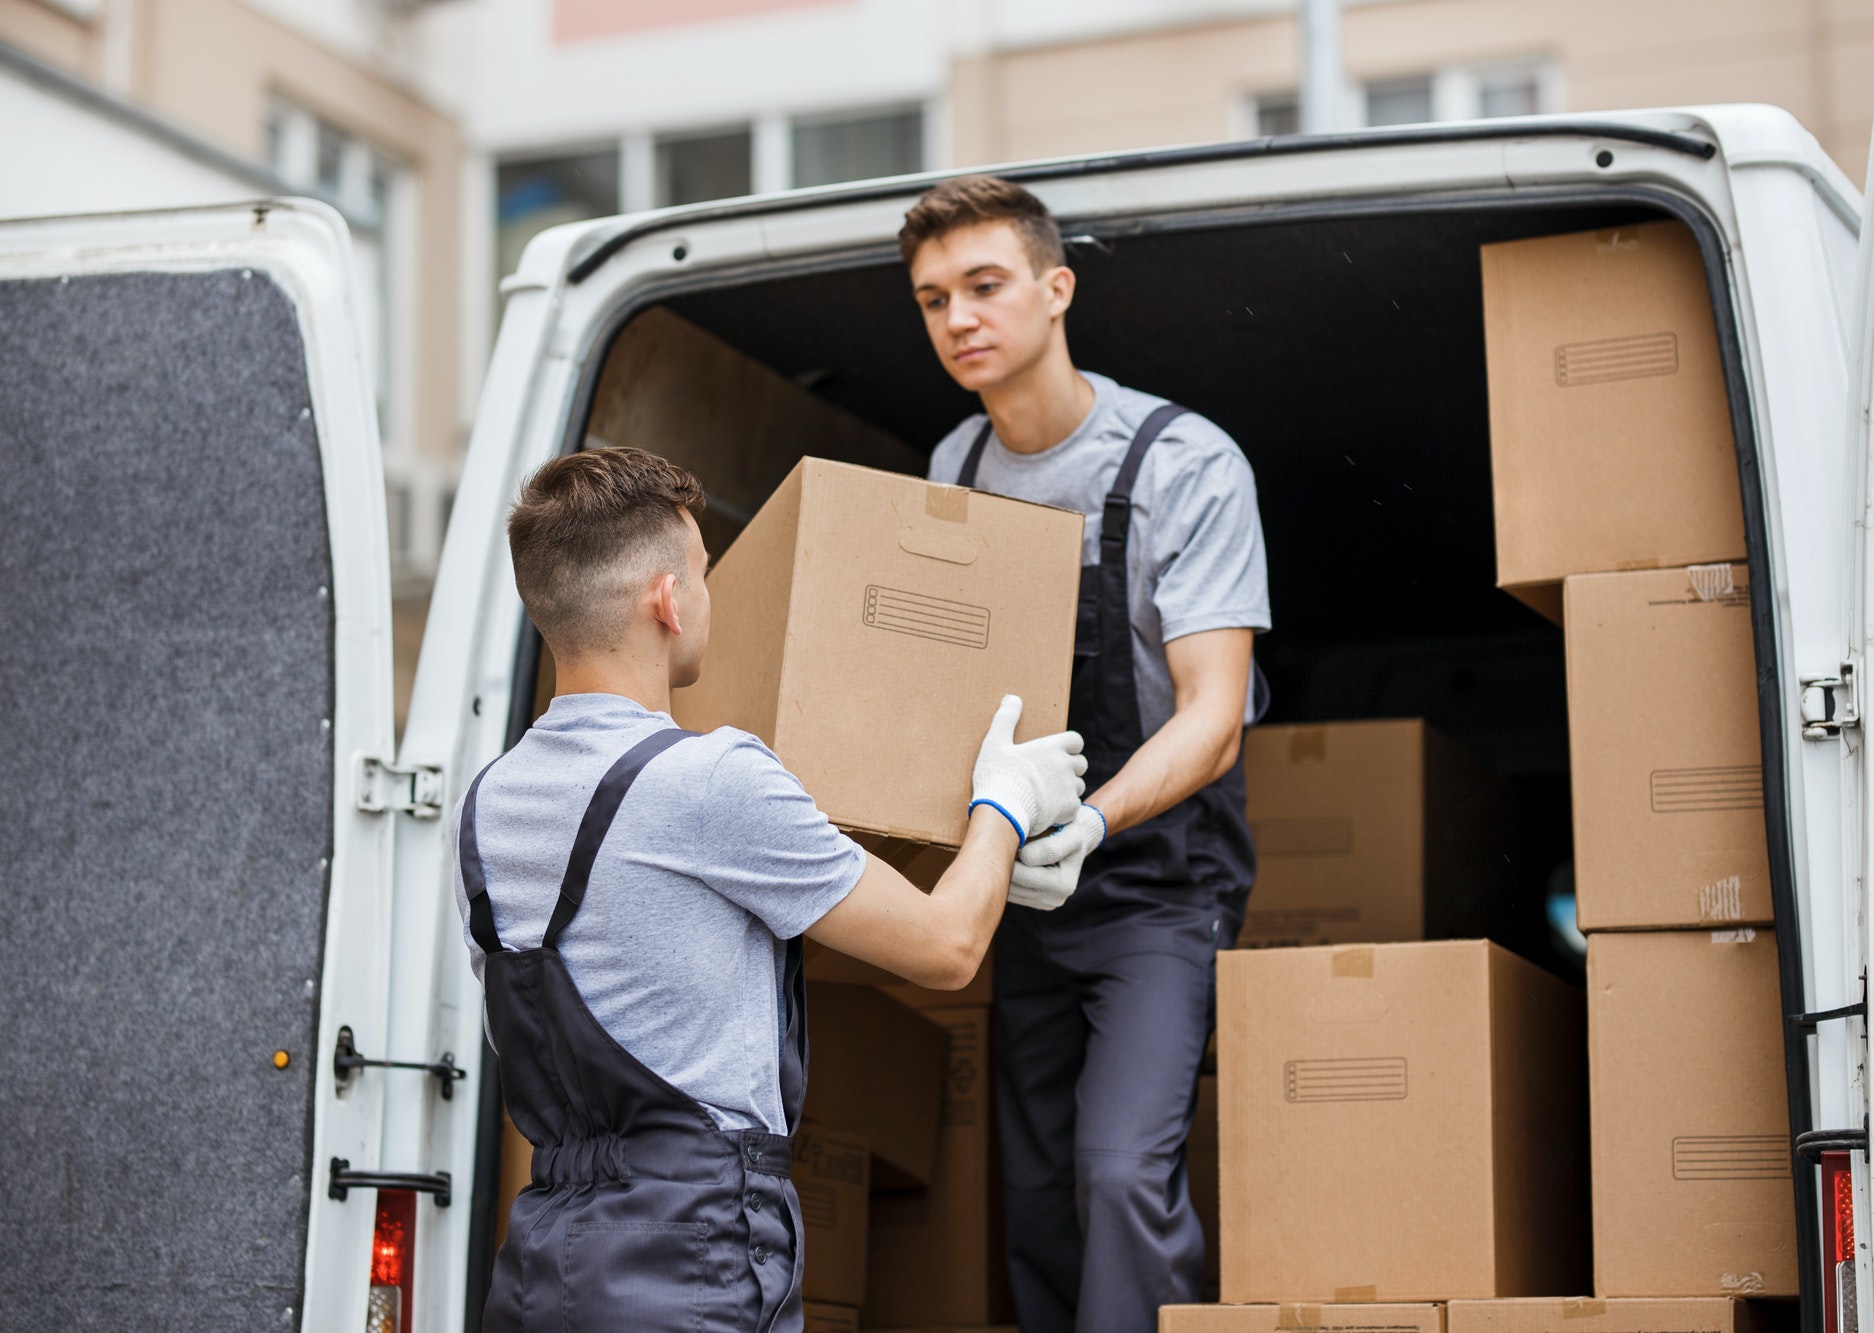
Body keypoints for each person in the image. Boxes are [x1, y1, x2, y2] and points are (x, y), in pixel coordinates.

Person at [454, 446, 1089, 1333]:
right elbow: (946, 947)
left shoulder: (483, 809)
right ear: (668, 601)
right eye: (704, 574)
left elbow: (665, 953)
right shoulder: (714, 780)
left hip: (543, 1265)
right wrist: (1004, 807)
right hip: (691, 1256)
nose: (708, 596)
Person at [902, 175, 1271, 1333]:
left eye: (983, 285)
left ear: (1055, 290)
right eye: (930, 300)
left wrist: (1086, 823)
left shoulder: (1182, 462)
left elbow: (1212, 714)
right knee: (1037, 1198)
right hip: (1014, 895)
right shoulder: (952, 466)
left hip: (1158, 887)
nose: (958, 318)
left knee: (1117, 1173)